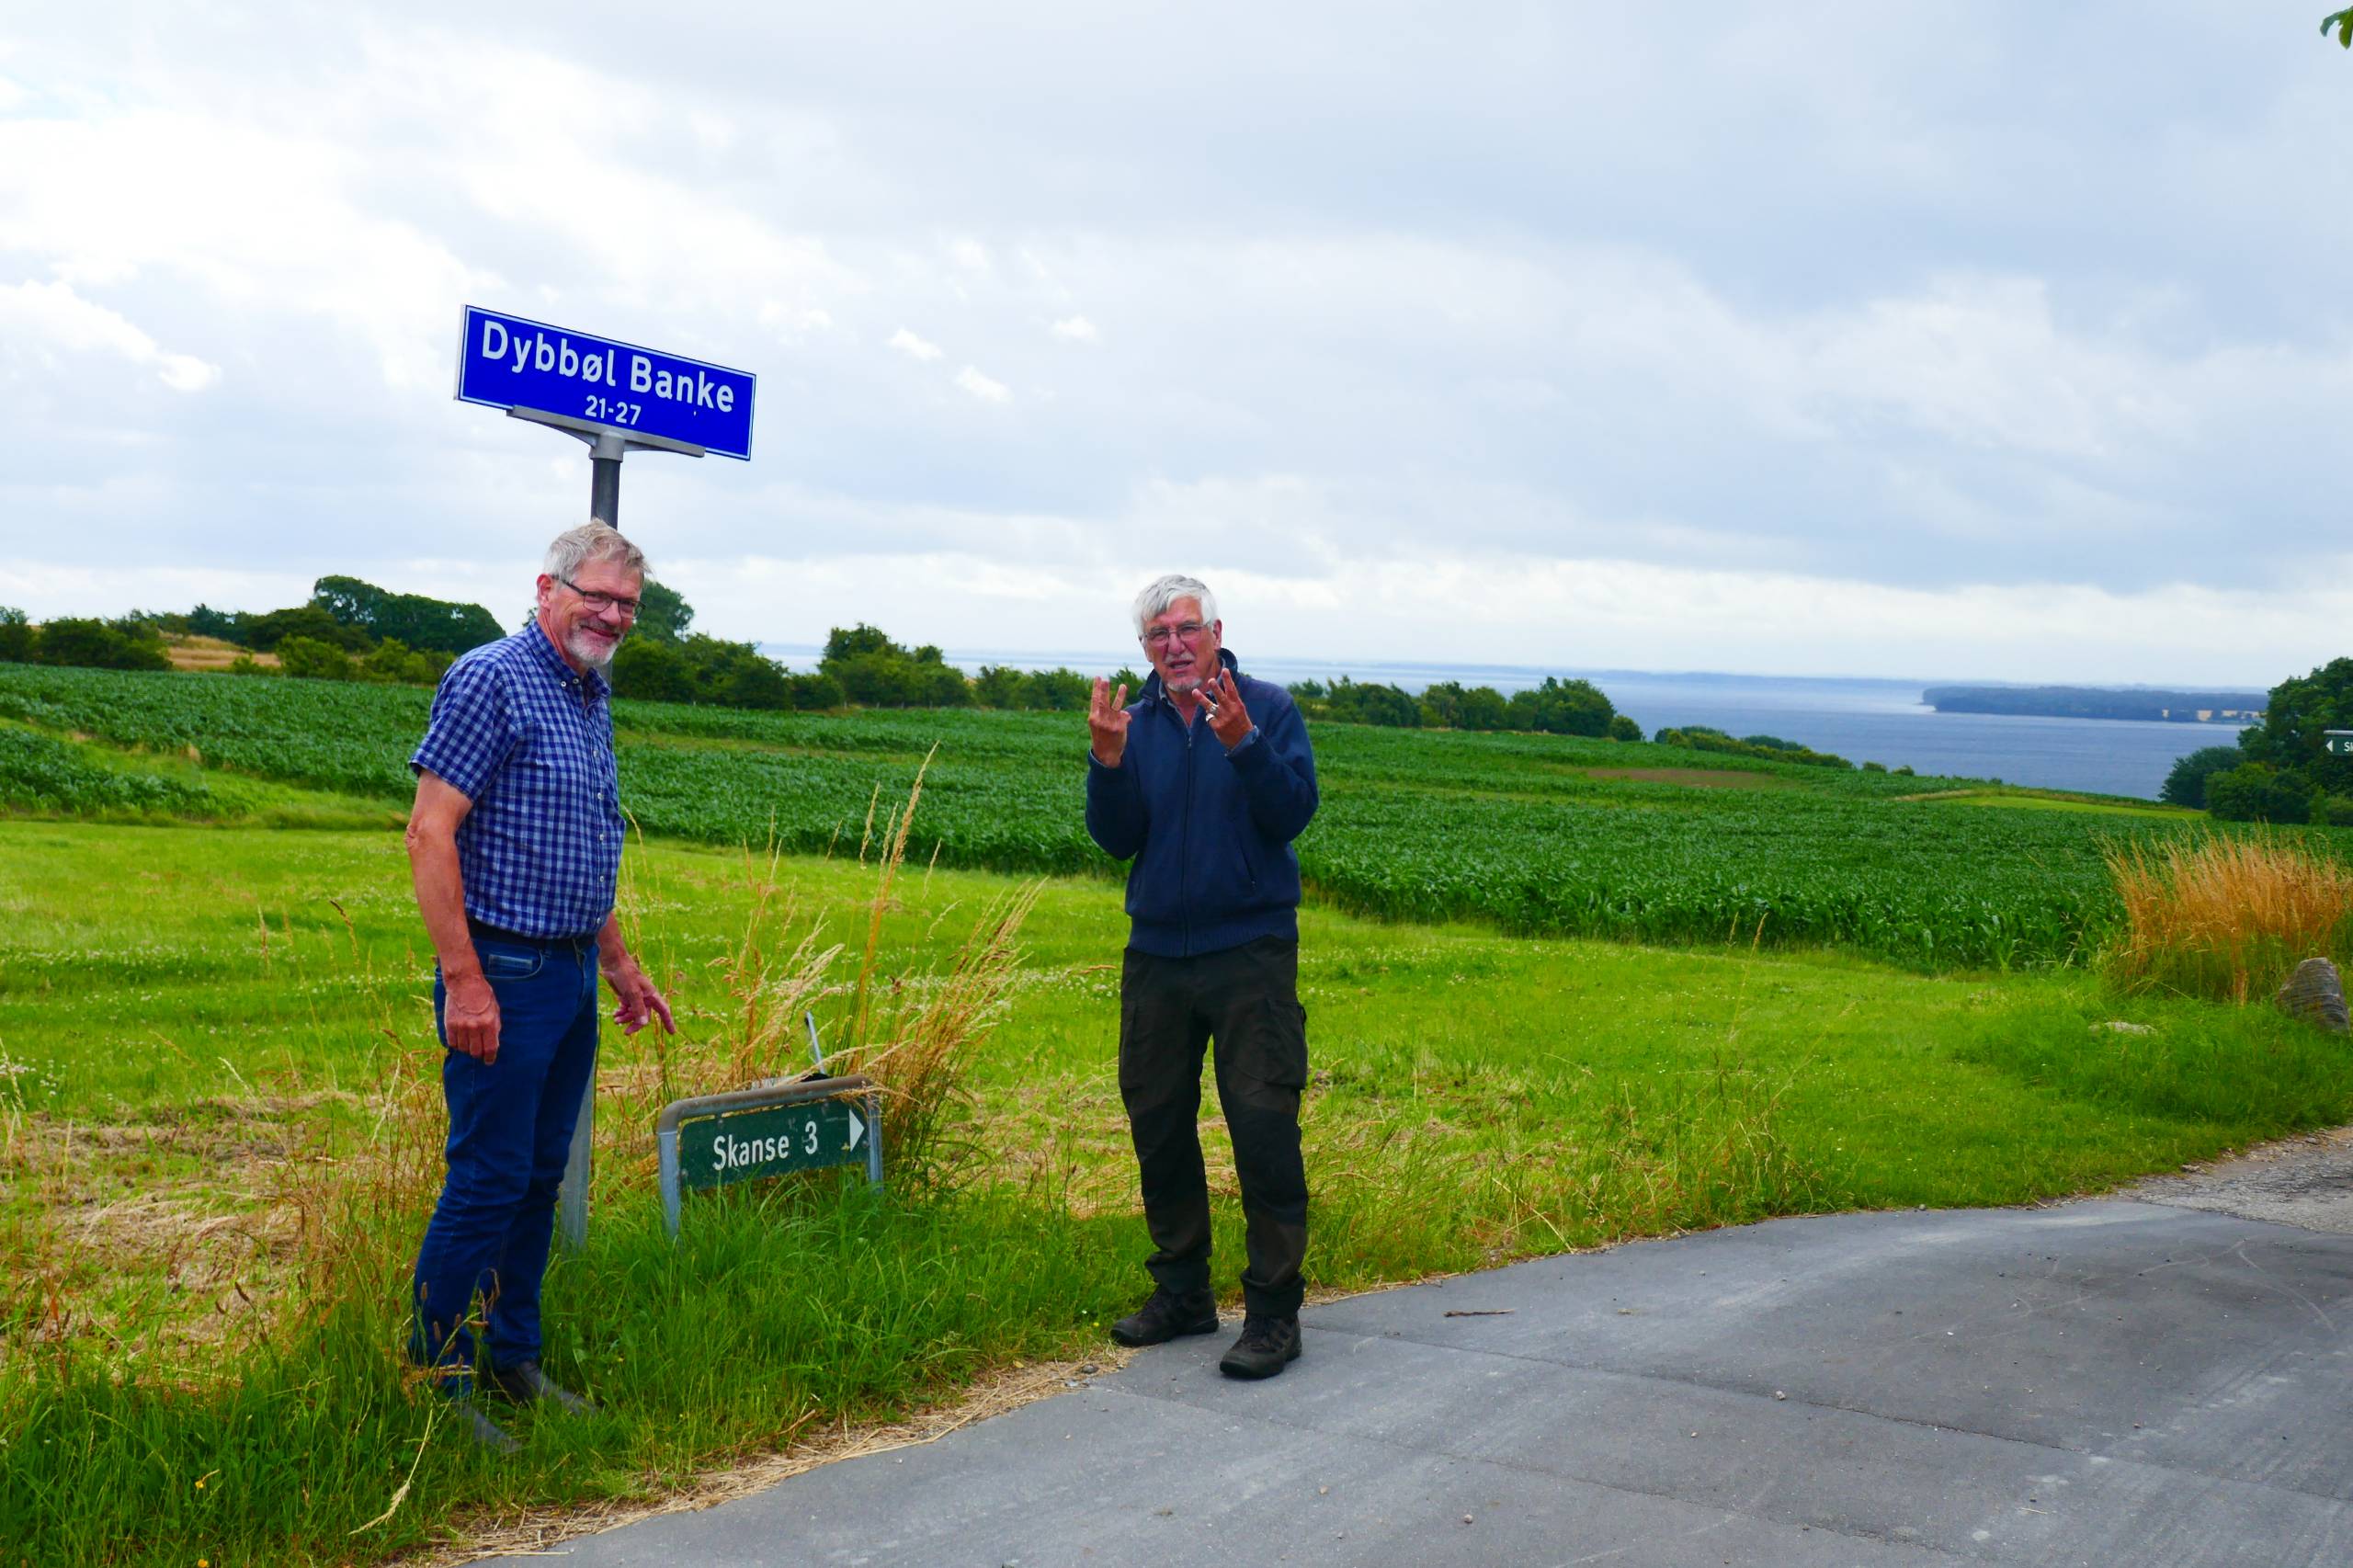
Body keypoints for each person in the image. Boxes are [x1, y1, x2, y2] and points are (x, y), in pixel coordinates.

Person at [404, 522, 675, 1449]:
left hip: (566, 970)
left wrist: (620, 964)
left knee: (538, 1178)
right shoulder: (492, 676)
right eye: (596, 595)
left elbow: (578, 848)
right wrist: (465, 978)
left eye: (627, 604)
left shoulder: (587, 690)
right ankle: (435, 1377)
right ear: (547, 587)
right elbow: (428, 832)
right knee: (485, 1178)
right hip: (503, 968)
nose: (611, 614)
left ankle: (512, 1358)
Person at [1085, 574, 1320, 1379]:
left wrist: (1244, 744)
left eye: (1186, 630)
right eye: (1158, 637)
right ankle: (1183, 1294)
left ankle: (1273, 1315)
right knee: (1158, 1122)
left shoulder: (1267, 708)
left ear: (1216, 630)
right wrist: (1107, 764)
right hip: (1156, 954)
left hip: (1248, 950)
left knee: (1261, 1126)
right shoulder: (1137, 723)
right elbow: (1117, 840)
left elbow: (1293, 814)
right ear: (1144, 649)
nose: (1175, 646)